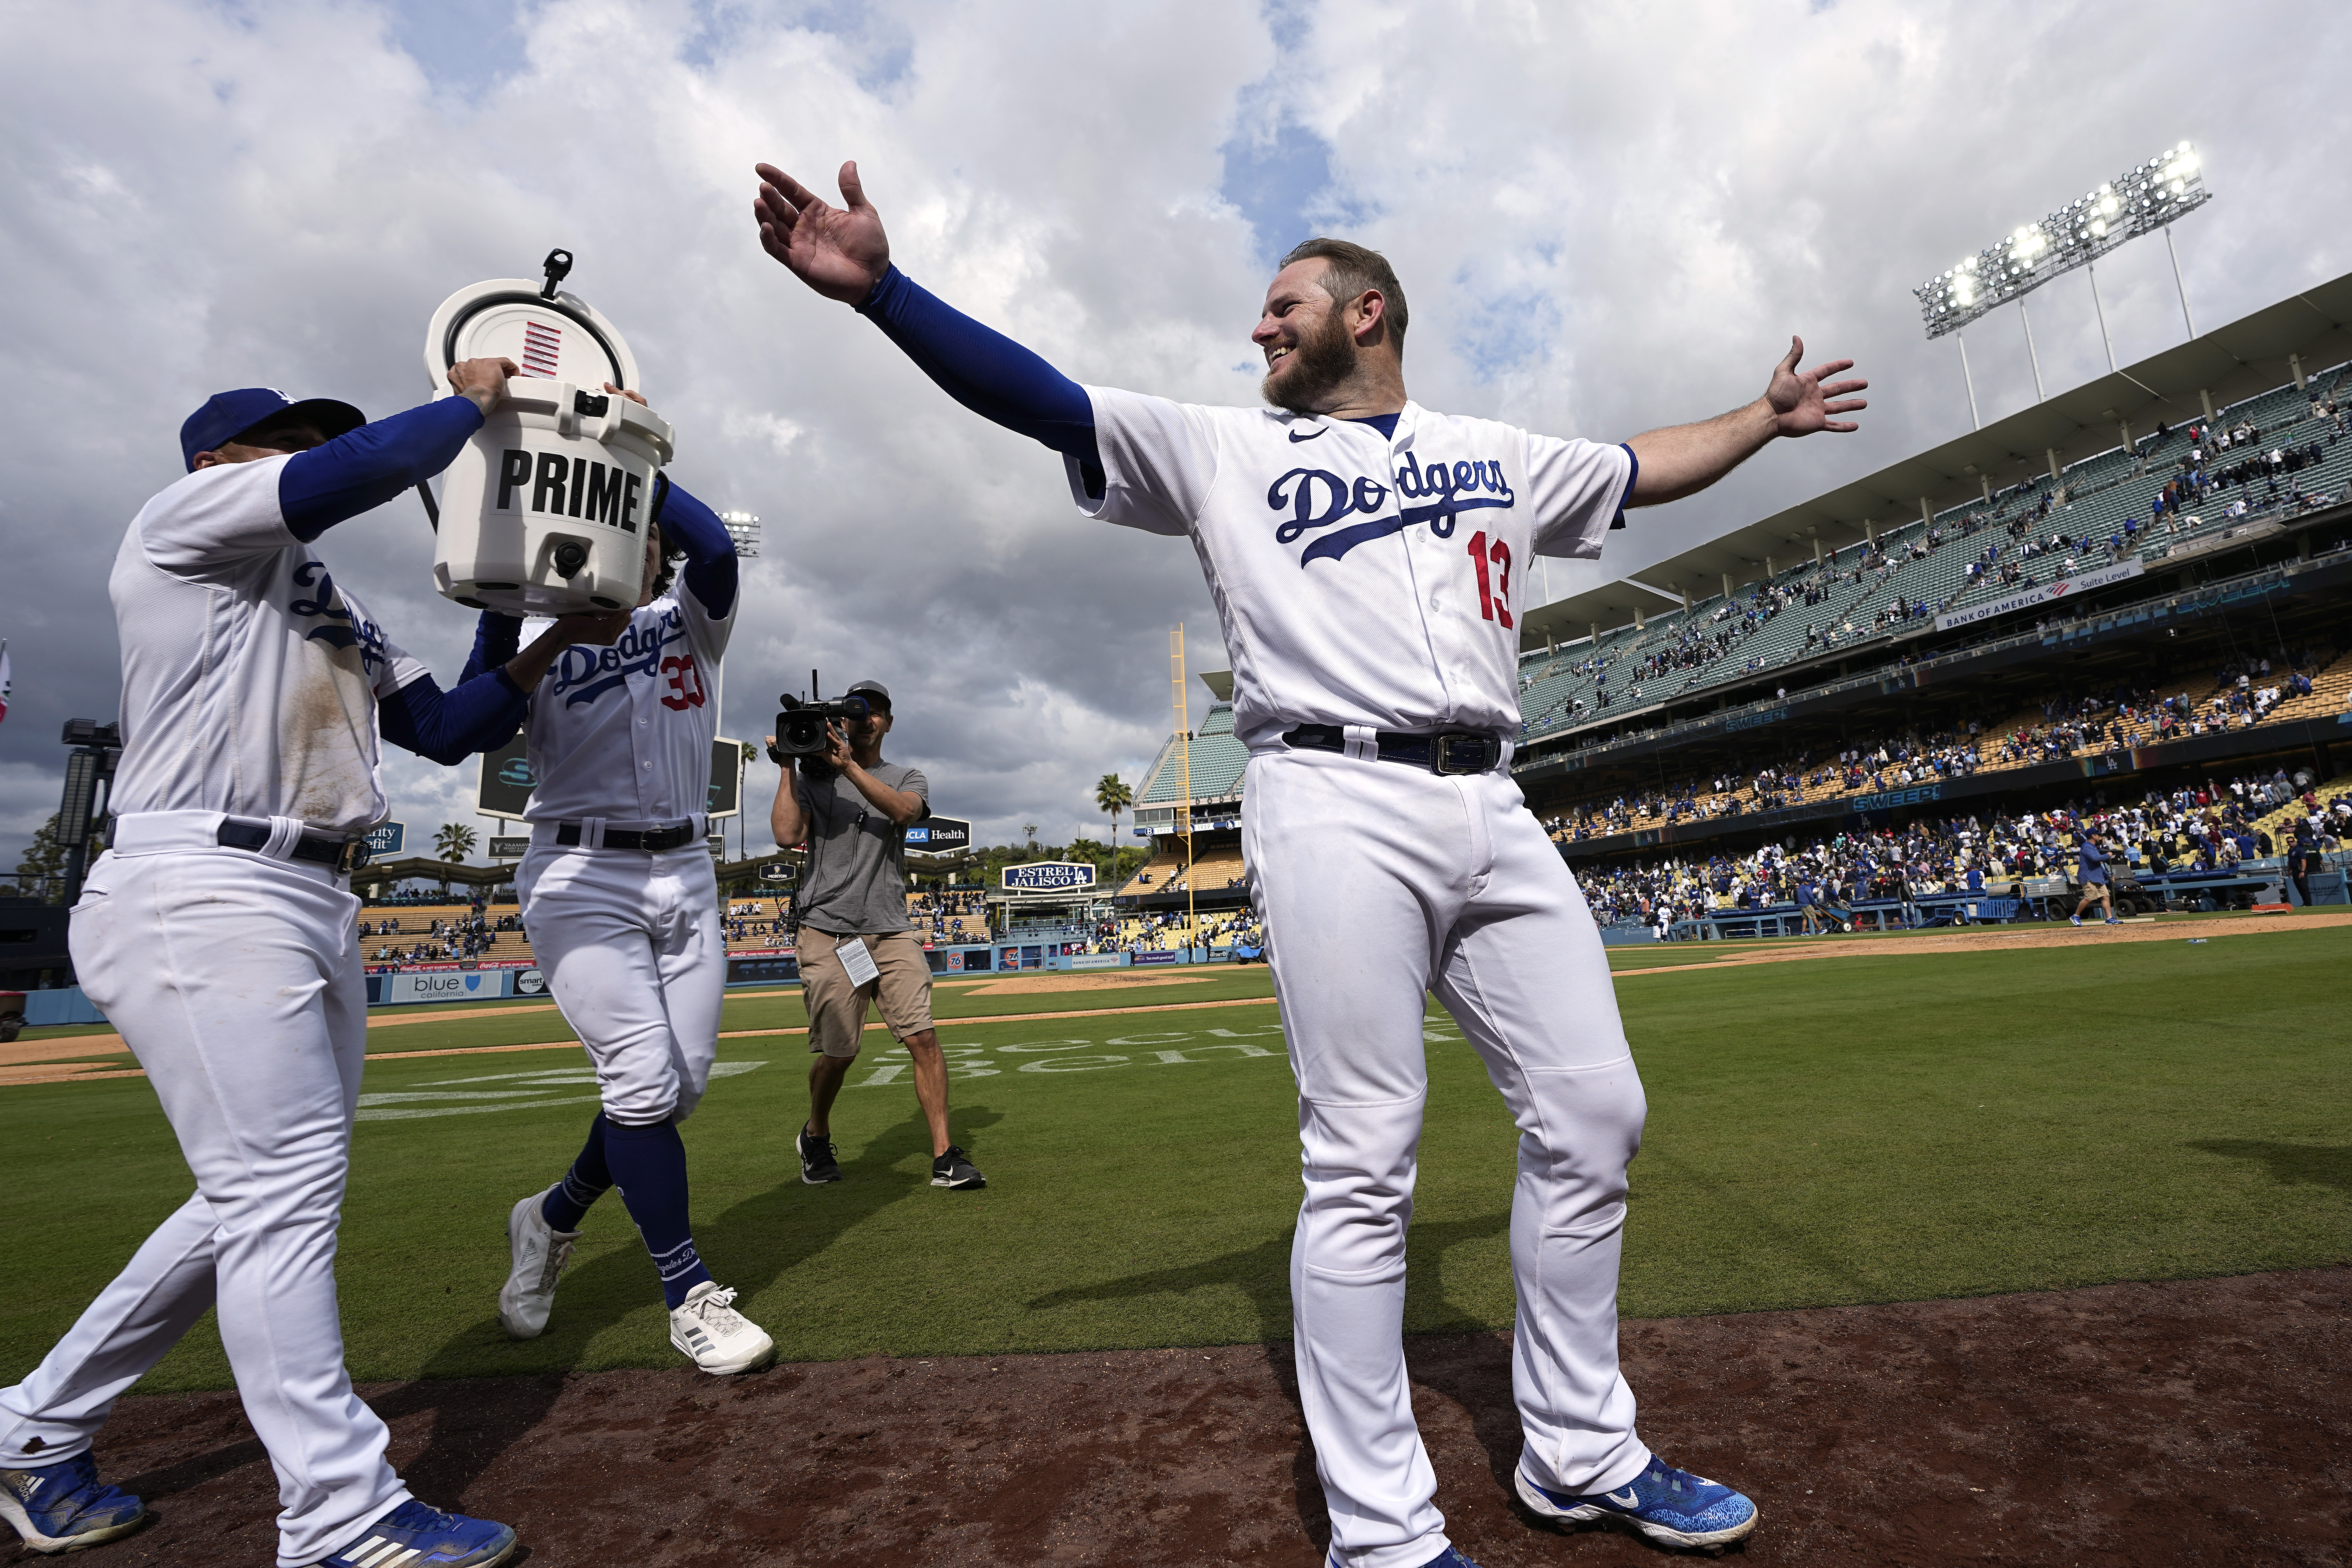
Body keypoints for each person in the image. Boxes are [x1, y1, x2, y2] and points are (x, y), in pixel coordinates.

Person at [751, 158, 1867, 1565]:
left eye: (1282, 307)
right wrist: (883, 295)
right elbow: (1041, 395)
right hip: (1328, 793)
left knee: (1595, 1113)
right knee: (1361, 1161)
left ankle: (1579, 1452)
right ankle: (1383, 1530)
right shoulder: (1222, 448)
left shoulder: (1494, 451)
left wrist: (1763, 419)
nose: (1259, 331)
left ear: (1368, 310)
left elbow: (1644, 461)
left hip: (1491, 796)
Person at [0, 371, 610, 1567]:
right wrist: (471, 405)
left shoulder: (328, 600)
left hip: (310, 889)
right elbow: (350, 473)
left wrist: (528, 634)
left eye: (310, 440)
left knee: (247, 1198)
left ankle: (33, 1428)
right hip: (204, 879)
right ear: (222, 459)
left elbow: (446, 730)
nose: (308, 456)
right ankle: (338, 1512)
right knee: (281, 1189)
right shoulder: (176, 524)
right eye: (283, 443)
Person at [492, 387, 775, 1377]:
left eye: (647, 531)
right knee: (643, 1082)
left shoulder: (693, 619)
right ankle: (688, 1293)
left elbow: (715, 545)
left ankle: (553, 1213)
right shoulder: (533, 625)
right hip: (579, 872)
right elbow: (476, 722)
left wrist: (625, 453)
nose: (643, 544)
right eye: (623, 529)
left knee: (672, 1090)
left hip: (686, 869)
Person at [768, 681, 985, 1191]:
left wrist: (847, 766)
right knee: (841, 1052)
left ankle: (944, 1156)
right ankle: (815, 1133)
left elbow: (905, 811)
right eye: (854, 712)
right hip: (828, 930)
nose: (864, 720)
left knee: (923, 1038)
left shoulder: (906, 776)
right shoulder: (812, 775)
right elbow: (786, 835)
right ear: (838, 721)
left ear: (888, 721)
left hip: (890, 928)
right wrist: (787, 766)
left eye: (874, 712)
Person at [2071, 831, 2117, 926]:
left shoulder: (2093, 847)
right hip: (2088, 876)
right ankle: (2076, 916)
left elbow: (2098, 865)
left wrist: (2108, 876)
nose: (2099, 837)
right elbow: (2096, 859)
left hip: (2096, 876)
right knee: (2089, 898)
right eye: (2098, 835)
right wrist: (2108, 855)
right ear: (2093, 836)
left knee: (2106, 896)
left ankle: (2109, 918)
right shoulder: (2087, 846)